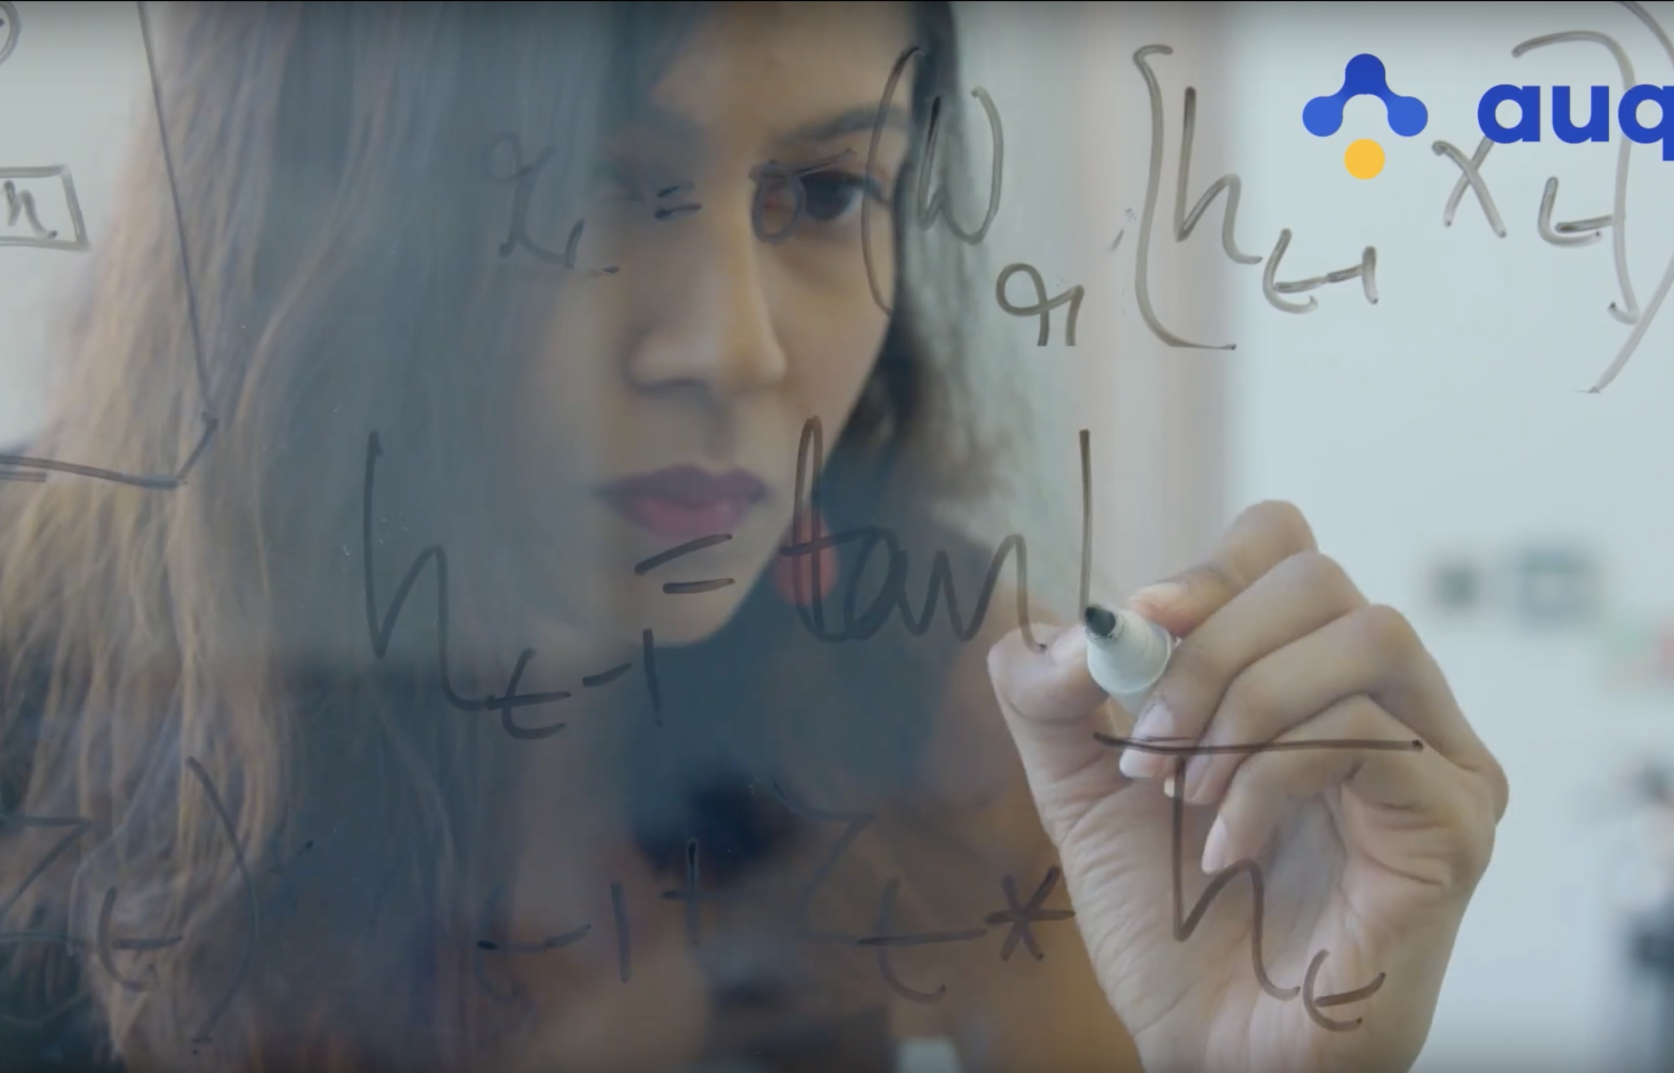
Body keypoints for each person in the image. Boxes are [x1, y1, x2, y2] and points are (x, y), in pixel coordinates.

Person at [0, 3, 1508, 1071]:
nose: (733, 346)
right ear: (313, 223)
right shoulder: (34, 670)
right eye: (590, 188)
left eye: (825, 192)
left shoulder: (976, 733)